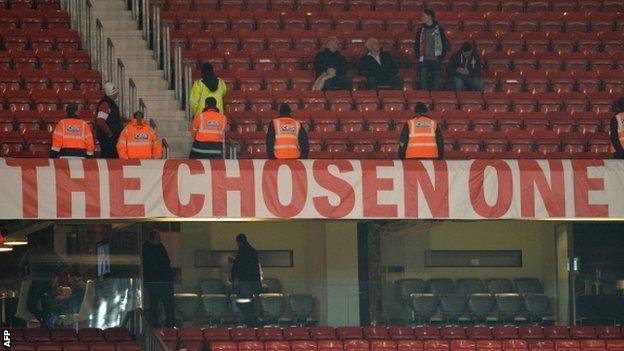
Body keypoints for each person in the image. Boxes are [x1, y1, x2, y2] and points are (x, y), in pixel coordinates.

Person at [19, 236, 64, 328]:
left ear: (37, 244)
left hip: (36, 282)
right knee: (47, 306)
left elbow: (21, 265)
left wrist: (24, 276)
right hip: (48, 283)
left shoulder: (31, 252)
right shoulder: (51, 254)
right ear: (47, 244)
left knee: (30, 305)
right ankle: (46, 325)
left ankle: (43, 319)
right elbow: (62, 263)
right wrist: (56, 273)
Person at [142, 230, 175, 328]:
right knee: (160, 304)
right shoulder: (152, 248)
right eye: (158, 236)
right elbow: (165, 262)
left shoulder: (149, 248)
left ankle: (164, 324)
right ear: (154, 238)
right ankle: (162, 324)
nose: (160, 238)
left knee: (157, 304)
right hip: (158, 280)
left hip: (157, 280)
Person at [231, 233, 262, 327]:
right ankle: (254, 319)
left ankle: (250, 320)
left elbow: (239, 267)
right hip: (255, 281)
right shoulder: (253, 251)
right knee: (252, 301)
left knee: (243, 302)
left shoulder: (241, 252)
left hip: (245, 282)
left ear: (238, 242)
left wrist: (235, 278)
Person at [415, 9, 448, 91]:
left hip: (436, 60)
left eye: (424, 16)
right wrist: (418, 56)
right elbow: (416, 44)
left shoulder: (439, 30)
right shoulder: (420, 30)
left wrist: (441, 57)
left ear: (430, 17)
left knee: (436, 85)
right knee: (423, 85)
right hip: (424, 60)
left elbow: (444, 43)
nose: (422, 18)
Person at [96, 82, 124, 158]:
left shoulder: (108, 103)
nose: (117, 94)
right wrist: (110, 134)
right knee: (109, 157)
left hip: (110, 137)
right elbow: (100, 121)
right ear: (112, 94)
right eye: (116, 92)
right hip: (108, 139)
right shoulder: (105, 104)